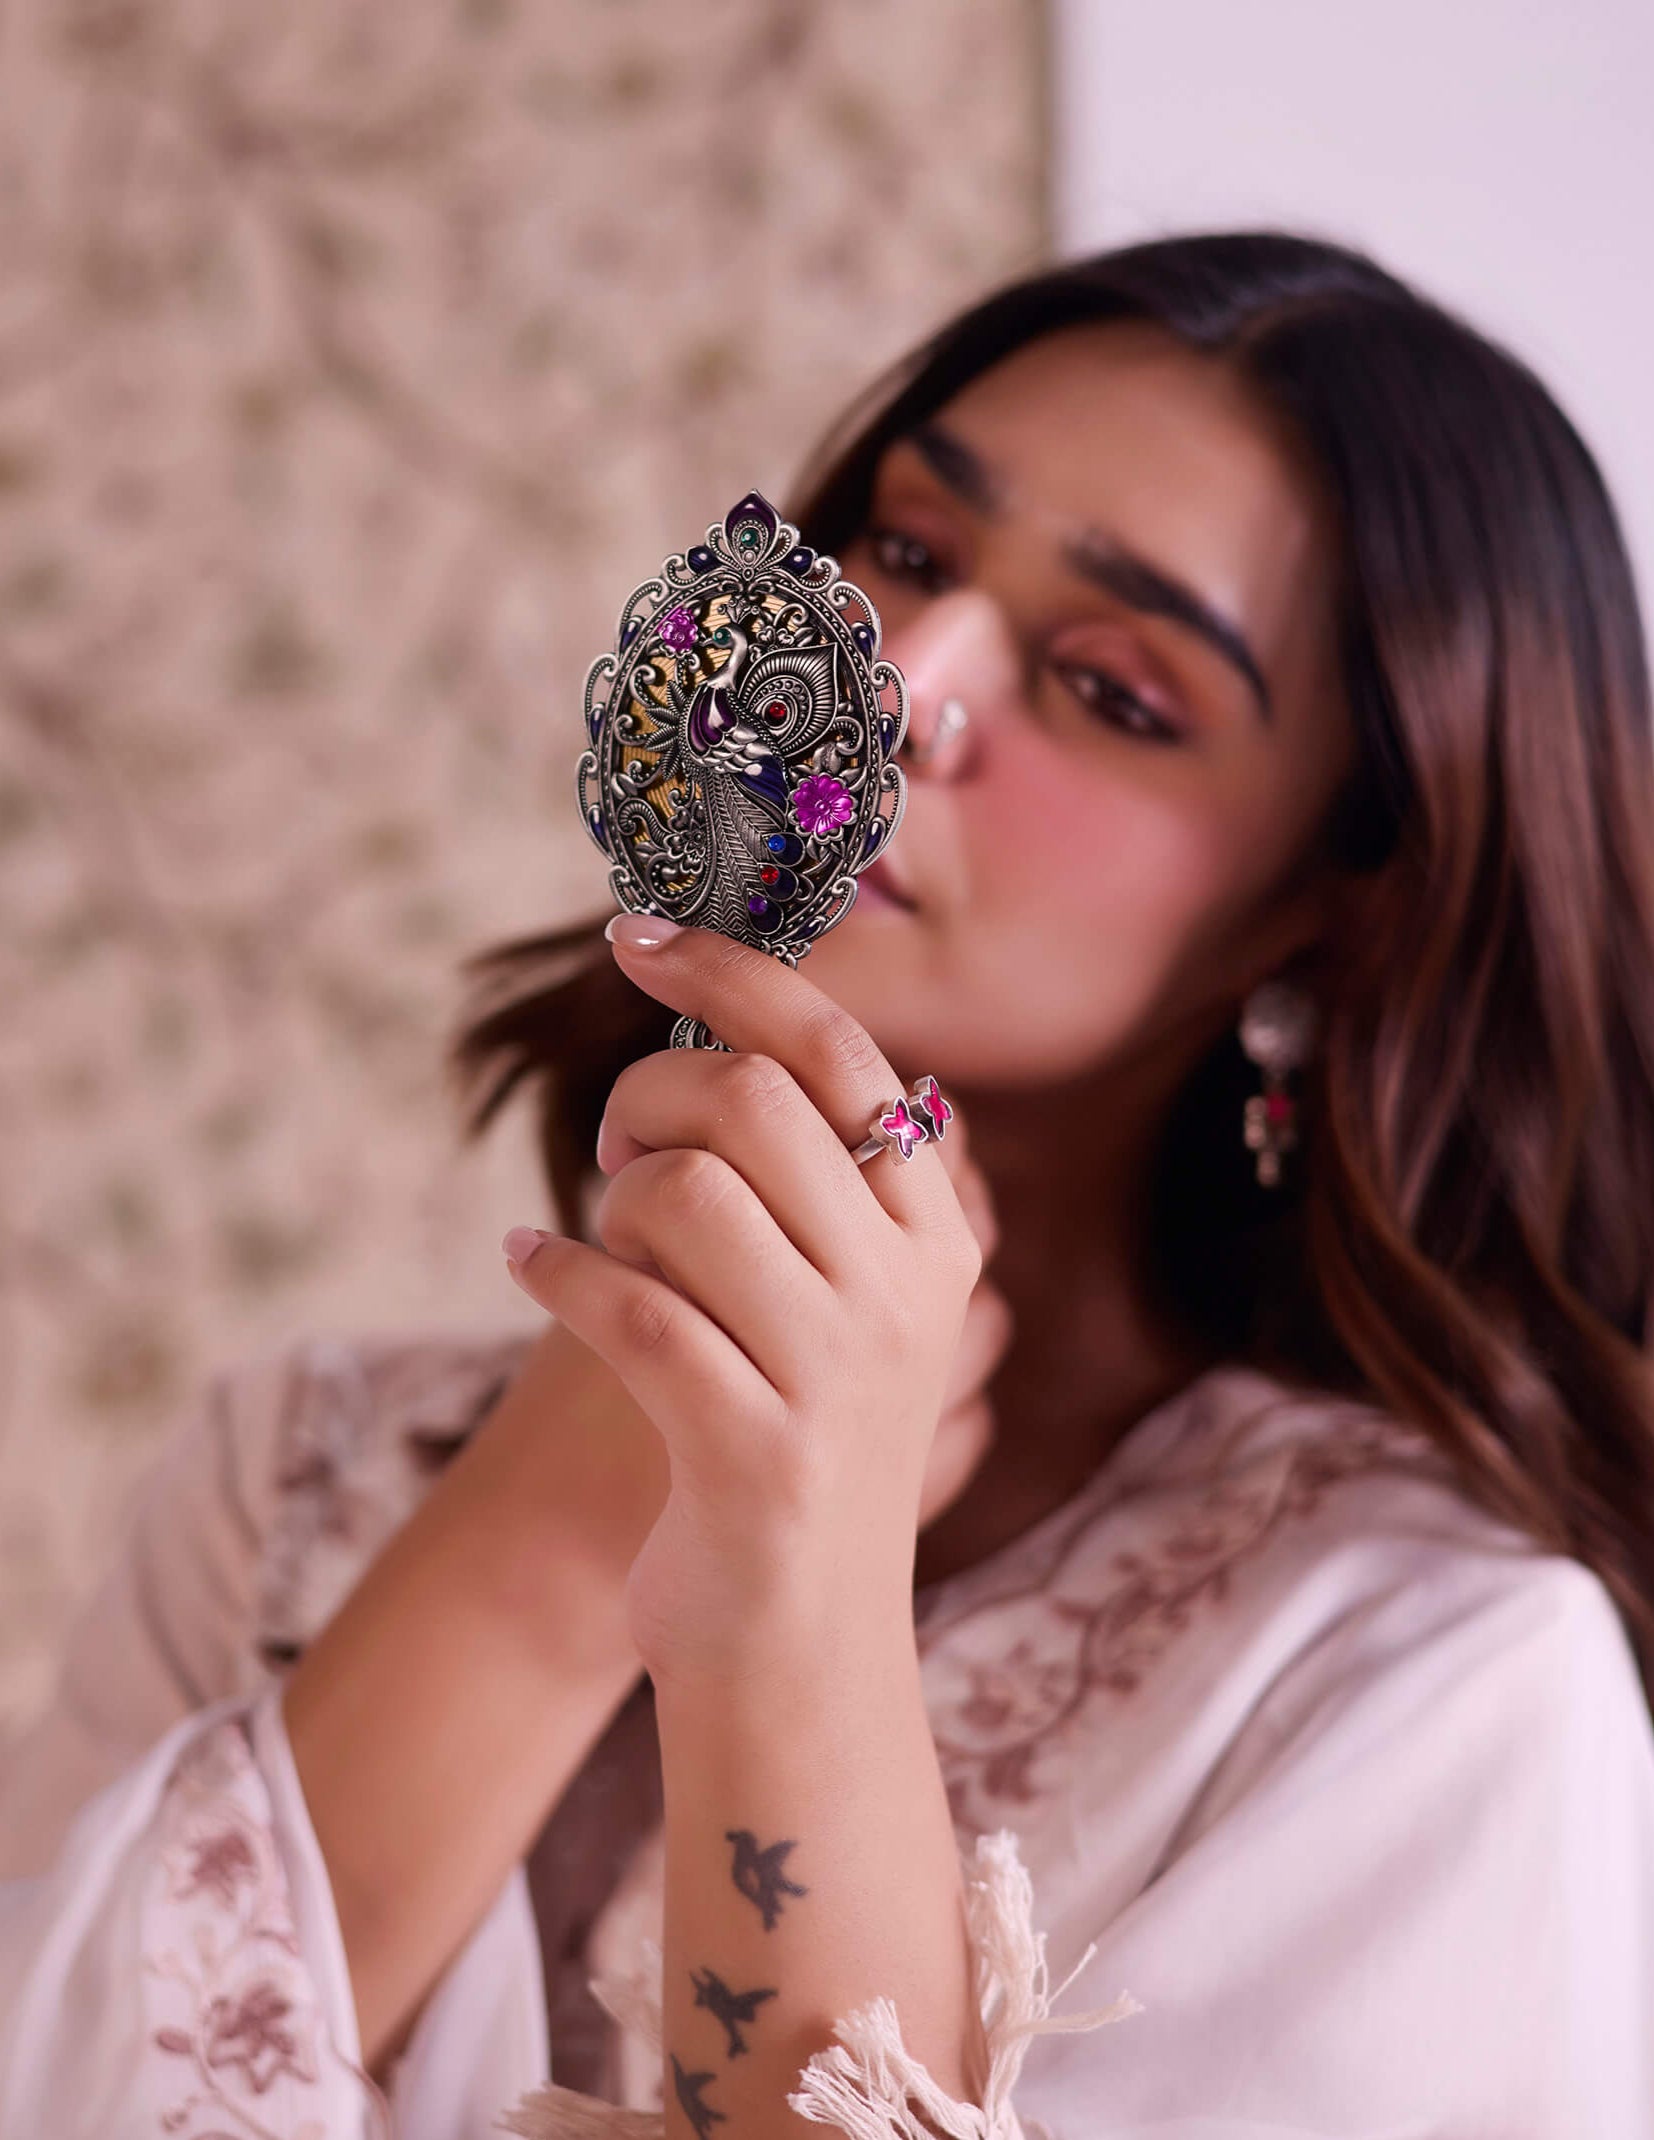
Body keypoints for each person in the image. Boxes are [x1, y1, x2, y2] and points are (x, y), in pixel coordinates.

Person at [3, 230, 1654, 2140]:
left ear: (1327, 909)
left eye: (1113, 690)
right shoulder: (289, 1479)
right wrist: (539, 1549)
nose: (900, 684)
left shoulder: (1419, 1682)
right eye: (912, 552)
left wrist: (789, 1595)